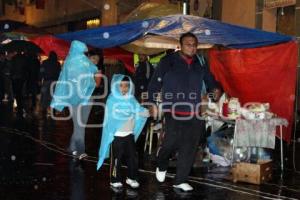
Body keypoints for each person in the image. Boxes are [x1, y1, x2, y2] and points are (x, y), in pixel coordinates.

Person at [148, 32, 221, 192]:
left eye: (194, 44)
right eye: (189, 44)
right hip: (173, 109)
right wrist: (152, 103)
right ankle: (162, 163)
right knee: (170, 142)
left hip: (194, 111)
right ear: (180, 45)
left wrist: (214, 89)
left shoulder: (200, 62)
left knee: (190, 146)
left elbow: (210, 81)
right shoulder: (168, 61)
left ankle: (180, 180)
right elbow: (154, 83)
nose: (192, 47)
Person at [97, 74, 149, 190]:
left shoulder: (131, 99)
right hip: (116, 136)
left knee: (132, 157)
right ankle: (114, 179)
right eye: (121, 86)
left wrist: (145, 111)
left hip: (129, 134)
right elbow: (114, 116)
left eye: (126, 85)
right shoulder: (111, 100)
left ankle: (131, 177)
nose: (124, 88)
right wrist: (130, 112)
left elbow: (138, 109)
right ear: (115, 86)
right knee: (116, 159)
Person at [51, 40, 101, 160]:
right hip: (85, 99)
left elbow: (62, 81)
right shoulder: (84, 62)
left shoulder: (69, 62)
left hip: (76, 99)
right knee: (80, 125)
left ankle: (72, 147)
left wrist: (60, 98)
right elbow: (94, 75)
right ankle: (80, 151)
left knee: (80, 125)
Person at [40, 51, 61, 116]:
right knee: (53, 95)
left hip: (46, 81)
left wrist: (40, 79)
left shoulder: (44, 62)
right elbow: (59, 73)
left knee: (44, 95)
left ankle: (44, 109)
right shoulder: (57, 63)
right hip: (55, 82)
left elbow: (41, 71)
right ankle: (53, 109)